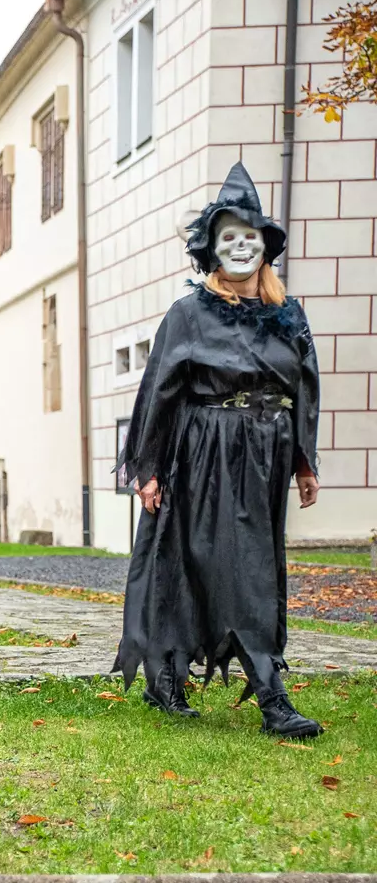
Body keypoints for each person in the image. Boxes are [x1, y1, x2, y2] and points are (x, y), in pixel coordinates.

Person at [114, 162, 322, 739]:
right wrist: (149, 467)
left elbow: (305, 385)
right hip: (203, 448)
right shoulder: (189, 313)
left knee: (247, 564)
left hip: (265, 453)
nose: (240, 246)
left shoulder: (287, 314)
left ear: (264, 248)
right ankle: (262, 696)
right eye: (228, 237)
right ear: (211, 248)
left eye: (249, 237)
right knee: (201, 561)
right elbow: (158, 388)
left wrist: (304, 459)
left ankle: (182, 682)